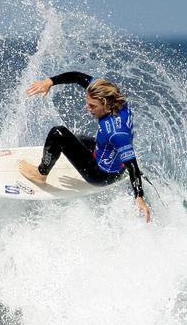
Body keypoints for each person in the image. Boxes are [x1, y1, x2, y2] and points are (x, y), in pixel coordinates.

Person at [18, 71, 152, 222]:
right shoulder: (113, 96)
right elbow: (77, 77)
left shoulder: (116, 133)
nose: (87, 108)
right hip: (109, 157)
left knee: (58, 133)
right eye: (87, 103)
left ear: (106, 104)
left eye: (92, 106)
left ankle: (40, 174)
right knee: (77, 139)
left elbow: (132, 164)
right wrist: (50, 81)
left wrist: (139, 196)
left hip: (102, 174)